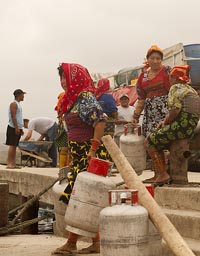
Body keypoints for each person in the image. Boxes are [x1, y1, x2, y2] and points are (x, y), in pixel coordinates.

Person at [52, 62, 107, 255]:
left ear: (76, 78)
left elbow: (100, 120)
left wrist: (93, 149)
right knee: (84, 197)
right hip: (79, 155)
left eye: (65, 77)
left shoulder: (85, 97)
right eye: (61, 78)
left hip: (89, 153)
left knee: (78, 196)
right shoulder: (72, 99)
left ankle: (71, 243)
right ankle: (95, 242)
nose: (63, 82)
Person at [144, 65, 200, 187]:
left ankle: (162, 174)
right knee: (163, 140)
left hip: (180, 126)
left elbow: (175, 110)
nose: (169, 79)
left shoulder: (175, 88)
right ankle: (169, 173)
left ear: (176, 78)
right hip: (189, 127)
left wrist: (165, 122)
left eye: (170, 77)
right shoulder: (191, 90)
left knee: (149, 141)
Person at [132, 45, 171, 182]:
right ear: (147, 59)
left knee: (160, 142)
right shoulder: (142, 77)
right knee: (149, 142)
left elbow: (174, 91)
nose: (155, 61)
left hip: (165, 112)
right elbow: (141, 98)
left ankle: (164, 173)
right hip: (150, 113)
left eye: (158, 58)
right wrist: (135, 116)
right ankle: (158, 174)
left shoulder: (167, 72)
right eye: (152, 58)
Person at [6, 89, 26, 169]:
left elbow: (19, 118)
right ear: (18, 95)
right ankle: (10, 163)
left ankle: (13, 163)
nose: (23, 96)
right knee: (12, 145)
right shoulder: (13, 104)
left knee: (14, 146)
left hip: (17, 127)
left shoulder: (18, 104)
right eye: (22, 95)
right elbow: (13, 116)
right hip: (13, 127)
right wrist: (17, 128)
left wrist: (21, 128)